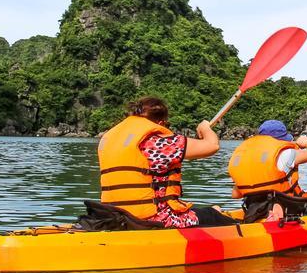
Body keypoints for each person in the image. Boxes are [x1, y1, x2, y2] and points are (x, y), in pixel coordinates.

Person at [97, 96, 238, 228]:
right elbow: (212, 146)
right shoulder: (159, 142)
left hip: (115, 217)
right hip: (156, 219)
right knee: (214, 213)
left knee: (207, 211)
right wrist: (205, 128)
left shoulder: (112, 140)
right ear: (160, 123)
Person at [228, 119, 307, 222]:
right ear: (281, 139)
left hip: (256, 210)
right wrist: (306, 142)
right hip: (291, 209)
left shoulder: (248, 160)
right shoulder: (286, 153)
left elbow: (236, 194)